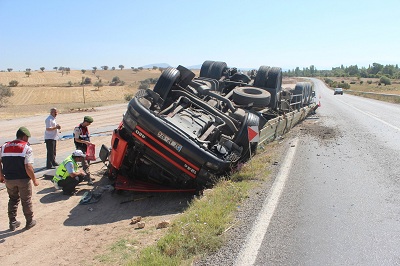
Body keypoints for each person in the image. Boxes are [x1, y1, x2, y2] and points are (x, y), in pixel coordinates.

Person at [0, 127, 39, 231]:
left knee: (13, 199)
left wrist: (1, 175)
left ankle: (12, 222)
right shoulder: (26, 148)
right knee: (26, 200)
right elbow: (28, 167)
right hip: (23, 179)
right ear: (24, 136)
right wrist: (34, 179)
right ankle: (29, 222)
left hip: (9, 179)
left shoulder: (4, 146)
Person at [73, 116, 94, 185]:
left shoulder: (85, 128)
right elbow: (76, 139)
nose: (89, 124)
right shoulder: (77, 129)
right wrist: (85, 142)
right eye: (89, 123)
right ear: (85, 122)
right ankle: (88, 179)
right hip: (81, 148)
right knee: (85, 164)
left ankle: (86, 175)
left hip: (86, 147)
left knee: (88, 162)